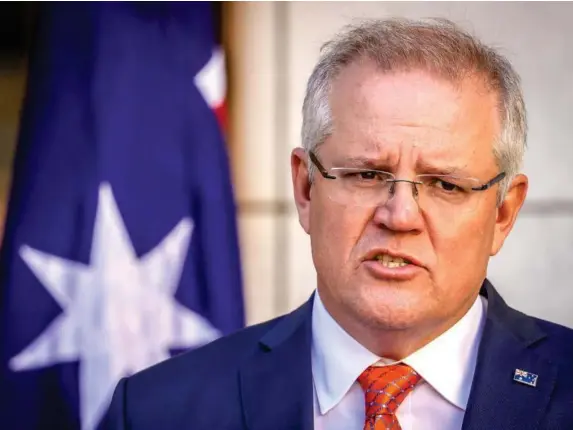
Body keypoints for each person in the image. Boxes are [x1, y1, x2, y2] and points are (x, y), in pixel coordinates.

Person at [102, 17, 573, 430]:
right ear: (306, 188)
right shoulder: (155, 412)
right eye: (367, 174)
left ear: (503, 213)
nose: (401, 216)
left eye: (444, 185)